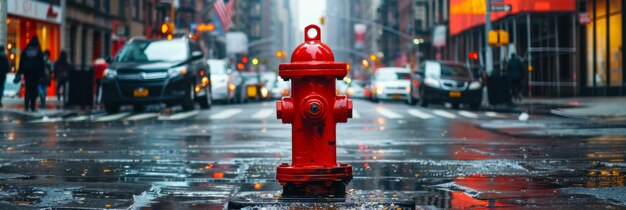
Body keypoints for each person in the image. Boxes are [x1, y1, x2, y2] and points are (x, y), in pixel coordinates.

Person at [14, 36, 45, 112]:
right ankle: (32, 107)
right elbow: (42, 64)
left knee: (27, 89)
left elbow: (21, 63)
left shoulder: (25, 51)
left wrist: (20, 71)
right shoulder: (38, 52)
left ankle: (26, 106)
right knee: (34, 89)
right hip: (36, 74)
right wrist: (42, 74)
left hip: (27, 73)